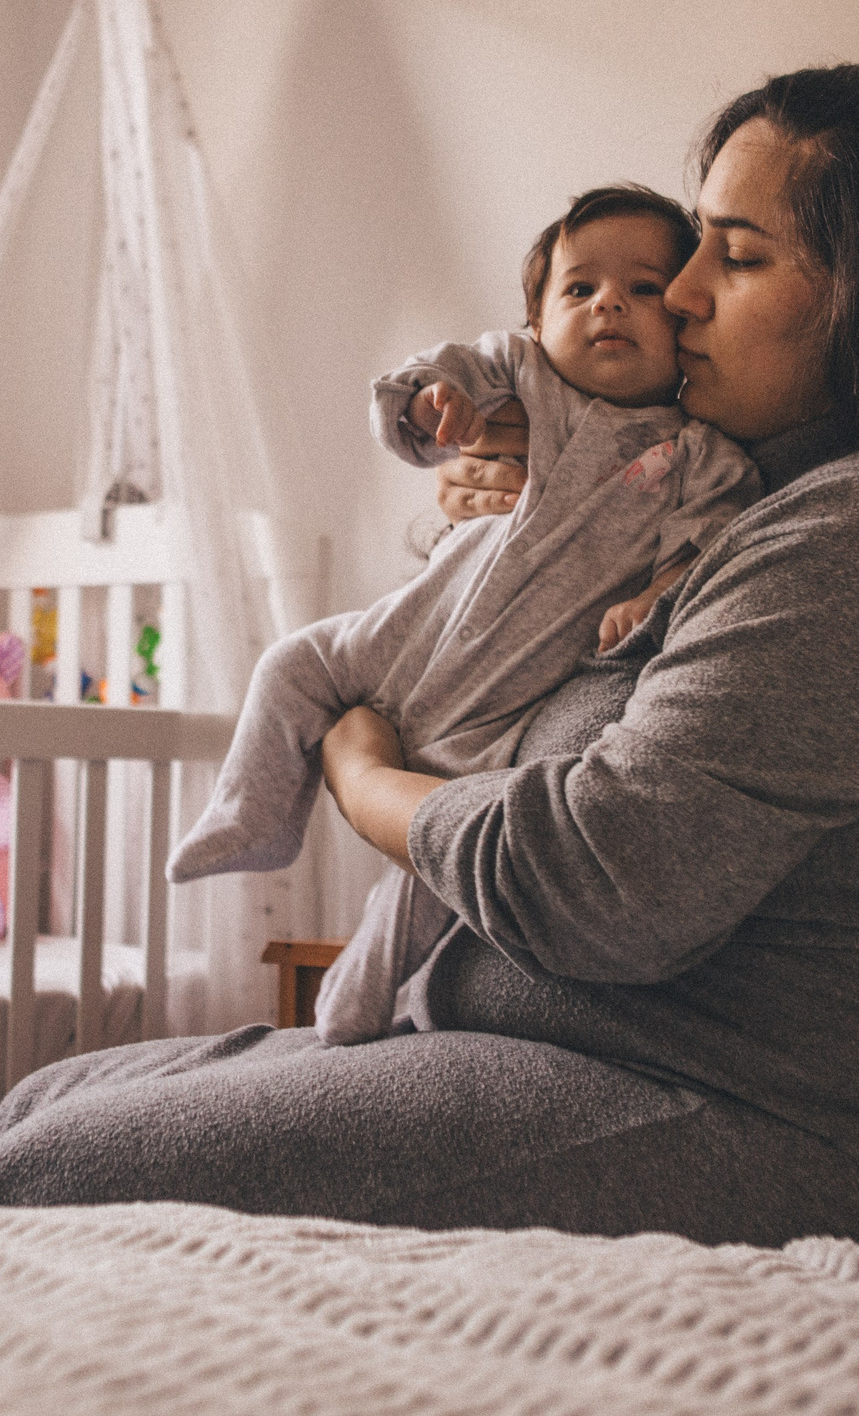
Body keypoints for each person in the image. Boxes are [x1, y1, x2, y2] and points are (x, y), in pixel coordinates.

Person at [0, 64, 859, 1246]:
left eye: (732, 258)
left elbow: (597, 883)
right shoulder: (753, 510)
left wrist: (357, 771)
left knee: (45, 1168)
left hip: (789, 1114)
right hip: (580, 1048)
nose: (675, 296)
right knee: (36, 1102)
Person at [168, 185, 760, 1044]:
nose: (609, 307)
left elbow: (706, 541)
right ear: (537, 317)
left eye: (641, 290)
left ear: (685, 325)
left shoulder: (694, 451)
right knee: (291, 664)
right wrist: (429, 406)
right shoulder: (522, 382)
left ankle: (352, 1011)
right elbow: (425, 382)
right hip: (413, 629)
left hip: (506, 695)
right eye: (580, 289)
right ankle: (250, 820)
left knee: (433, 859)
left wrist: (650, 595)